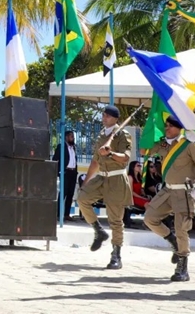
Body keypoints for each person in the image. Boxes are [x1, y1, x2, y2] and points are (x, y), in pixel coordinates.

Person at [142, 116, 195, 282]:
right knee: (150, 218)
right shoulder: (164, 144)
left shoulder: (189, 145)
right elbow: (144, 152)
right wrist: (149, 134)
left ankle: (182, 265)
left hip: (184, 192)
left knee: (182, 228)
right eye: (166, 126)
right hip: (167, 190)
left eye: (171, 126)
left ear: (179, 128)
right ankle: (171, 240)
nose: (167, 129)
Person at [77, 105, 132, 269]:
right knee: (82, 198)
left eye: (108, 116)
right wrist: (86, 182)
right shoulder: (102, 135)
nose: (104, 118)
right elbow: (95, 161)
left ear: (115, 118)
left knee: (115, 220)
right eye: (103, 115)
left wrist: (110, 153)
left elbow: (125, 158)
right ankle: (98, 231)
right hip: (102, 177)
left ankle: (116, 254)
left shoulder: (123, 135)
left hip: (116, 179)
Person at [52, 129, 78, 221]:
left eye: (73, 136)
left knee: (70, 194)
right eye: (71, 136)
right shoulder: (61, 146)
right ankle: (59, 214)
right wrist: (56, 172)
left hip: (73, 173)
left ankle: (67, 214)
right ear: (66, 137)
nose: (73, 138)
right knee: (63, 193)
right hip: (65, 173)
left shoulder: (73, 147)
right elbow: (55, 159)